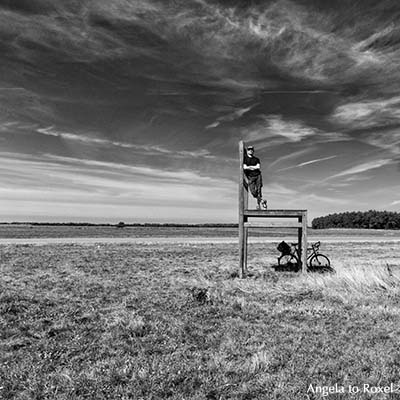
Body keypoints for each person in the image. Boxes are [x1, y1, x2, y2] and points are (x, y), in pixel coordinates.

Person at [243, 145, 267, 210]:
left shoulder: (256, 159)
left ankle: (258, 206)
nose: (250, 150)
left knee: (259, 190)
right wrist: (253, 167)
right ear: (247, 151)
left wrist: (249, 167)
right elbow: (244, 167)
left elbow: (258, 167)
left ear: (253, 151)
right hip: (250, 177)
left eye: (252, 149)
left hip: (258, 175)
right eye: (249, 149)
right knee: (253, 192)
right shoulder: (245, 159)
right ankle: (262, 201)